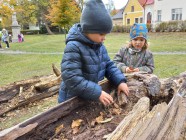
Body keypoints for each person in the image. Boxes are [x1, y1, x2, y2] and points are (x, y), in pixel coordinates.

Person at [58, 0, 129, 106]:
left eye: (106, 34)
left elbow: (109, 66)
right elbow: (71, 77)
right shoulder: (73, 47)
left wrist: (120, 81)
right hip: (71, 101)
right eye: (101, 34)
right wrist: (97, 92)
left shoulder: (99, 46)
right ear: (88, 29)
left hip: (87, 96)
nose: (104, 38)